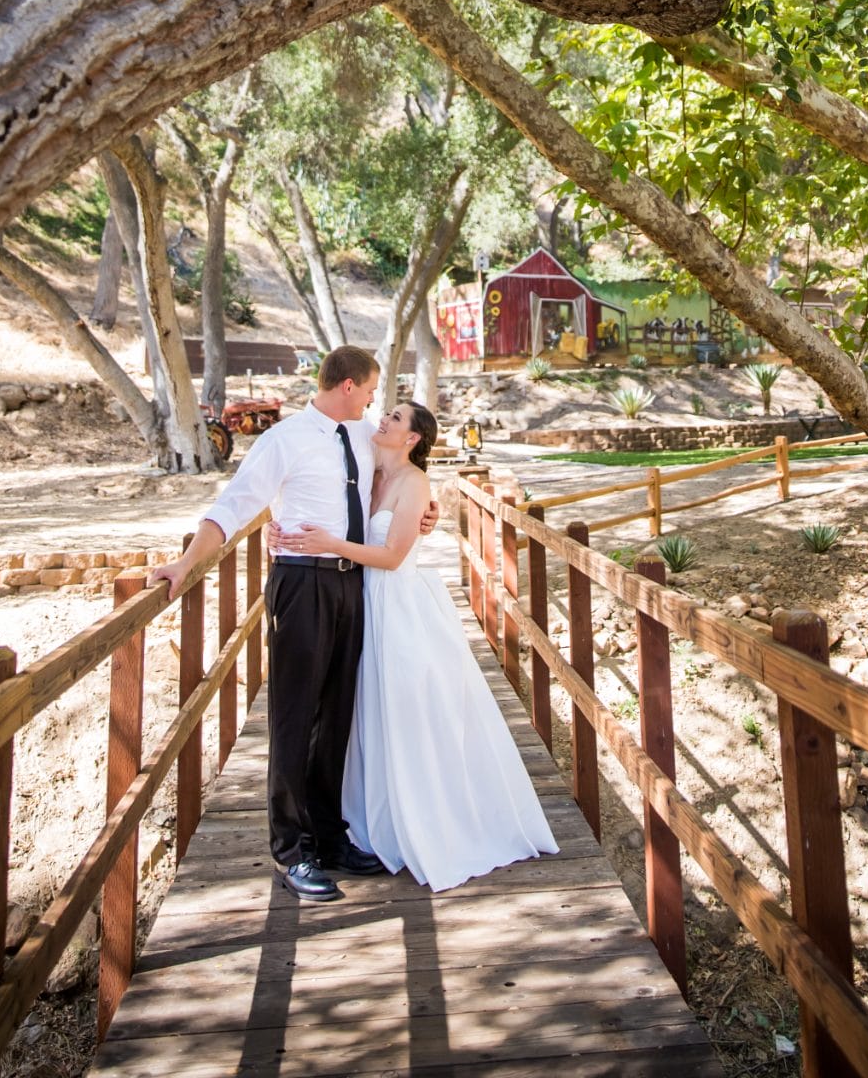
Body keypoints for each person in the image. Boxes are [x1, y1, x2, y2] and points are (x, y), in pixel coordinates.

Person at [147, 345, 436, 904]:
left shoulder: (360, 434)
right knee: (294, 714)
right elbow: (233, 505)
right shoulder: (283, 440)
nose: (376, 404)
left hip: (354, 582)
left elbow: (399, 479)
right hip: (301, 583)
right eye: (371, 391)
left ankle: (330, 837)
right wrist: (187, 563)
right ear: (348, 386)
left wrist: (430, 510)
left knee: (336, 713)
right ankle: (291, 849)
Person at [276, 399, 559, 893]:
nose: (382, 419)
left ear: (412, 438)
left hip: (397, 602)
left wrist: (329, 544)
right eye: (384, 412)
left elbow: (391, 555)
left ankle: (421, 819)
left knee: (406, 707)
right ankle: (349, 820)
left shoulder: (415, 482)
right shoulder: (365, 458)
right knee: (359, 709)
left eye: (395, 418)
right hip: (355, 601)